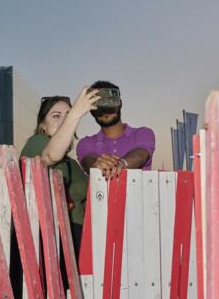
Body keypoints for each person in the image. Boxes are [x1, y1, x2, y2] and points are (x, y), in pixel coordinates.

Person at [20, 87, 100, 254]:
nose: (64, 121)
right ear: (42, 125)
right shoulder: (36, 142)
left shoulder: (73, 164)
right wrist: (75, 114)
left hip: (78, 236)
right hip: (47, 236)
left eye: (67, 115)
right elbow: (50, 155)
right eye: (56, 116)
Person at [77, 80, 155, 179]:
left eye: (110, 101)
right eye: (99, 103)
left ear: (119, 104)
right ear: (91, 109)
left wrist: (122, 163)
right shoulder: (85, 143)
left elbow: (140, 155)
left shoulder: (143, 133)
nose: (105, 108)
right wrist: (96, 164)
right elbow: (88, 161)